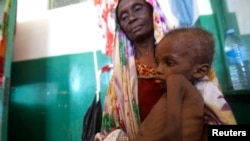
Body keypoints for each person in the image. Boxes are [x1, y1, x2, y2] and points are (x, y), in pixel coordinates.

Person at [93, 0, 237, 141]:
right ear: (121, 27)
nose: (131, 18)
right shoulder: (120, 79)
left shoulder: (191, 58)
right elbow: (111, 127)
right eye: (123, 17)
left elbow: (223, 122)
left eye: (137, 9)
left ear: (153, 11)